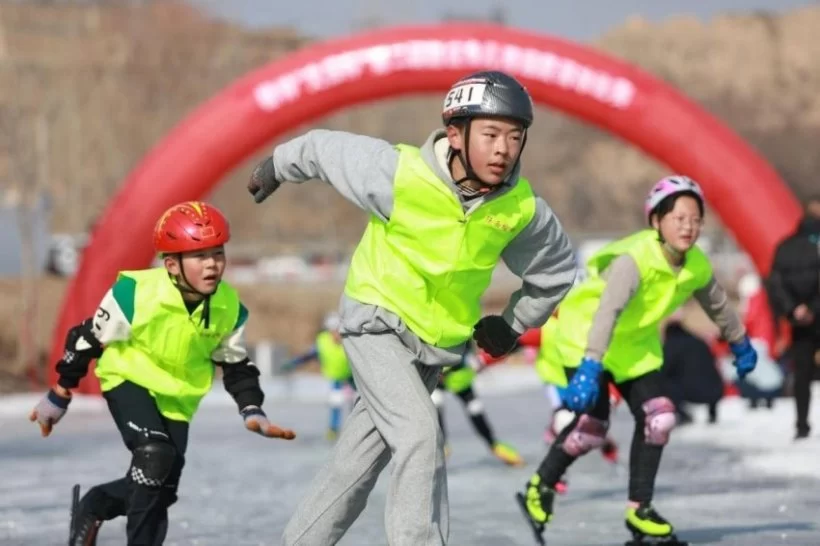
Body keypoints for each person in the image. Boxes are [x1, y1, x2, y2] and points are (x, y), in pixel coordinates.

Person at [247, 70, 577, 546]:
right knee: (421, 437)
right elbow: (323, 149)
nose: (503, 149)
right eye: (490, 135)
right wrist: (277, 165)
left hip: (432, 349)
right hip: (376, 323)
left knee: (355, 466)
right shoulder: (400, 173)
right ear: (455, 134)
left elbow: (556, 271)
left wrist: (511, 325)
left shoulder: (520, 209)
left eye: (514, 136)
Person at [28, 201, 296, 545]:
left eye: (218, 253)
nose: (212, 264)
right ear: (172, 264)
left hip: (178, 399)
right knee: (154, 454)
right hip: (128, 379)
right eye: (200, 256)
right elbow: (86, 338)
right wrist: (60, 393)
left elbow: (235, 365)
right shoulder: (136, 293)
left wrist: (251, 408)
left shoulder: (229, 307)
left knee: (161, 488)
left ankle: (96, 504)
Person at [515, 176, 758, 546]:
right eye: (679, 218)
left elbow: (718, 305)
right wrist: (590, 366)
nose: (688, 227)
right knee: (591, 428)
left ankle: (640, 509)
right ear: (656, 221)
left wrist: (740, 343)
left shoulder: (695, 264)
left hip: (633, 347)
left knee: (660, 418)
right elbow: (607, 312)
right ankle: (540, 485)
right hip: (586, 338)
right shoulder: (634, 261)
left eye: (695, 220)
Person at [767, 194, 820, 440]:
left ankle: (801, 424)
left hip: (800, 322)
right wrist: (813, 308)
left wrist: (793, 309)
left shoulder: (784, 247)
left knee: (802, 374)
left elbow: (775, 283)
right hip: (815, 314)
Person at [432, 345, 524, 466]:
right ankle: (441, 447)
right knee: (436, 405)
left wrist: (474, 360)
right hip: (439, 373)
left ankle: (494, 445)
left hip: (456, 374)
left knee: (474, 408)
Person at [282, 312, 356, 440]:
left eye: (339, 330)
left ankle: (355, 428)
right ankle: (333, 429)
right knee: (336, 401)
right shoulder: (322, 341)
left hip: (352, 377)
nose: (337, 334)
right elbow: (308, 356)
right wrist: (293, 363)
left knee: (356, 402)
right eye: (334, 331)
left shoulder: (350, 340)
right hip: (336, 379)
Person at [660, 318, 723, 424]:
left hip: (690, 393)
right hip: (715, 390)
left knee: (661, 384)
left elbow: (664, 370)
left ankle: (682, 415)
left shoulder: (671, 345)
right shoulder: (699, 342)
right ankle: (712, 412)